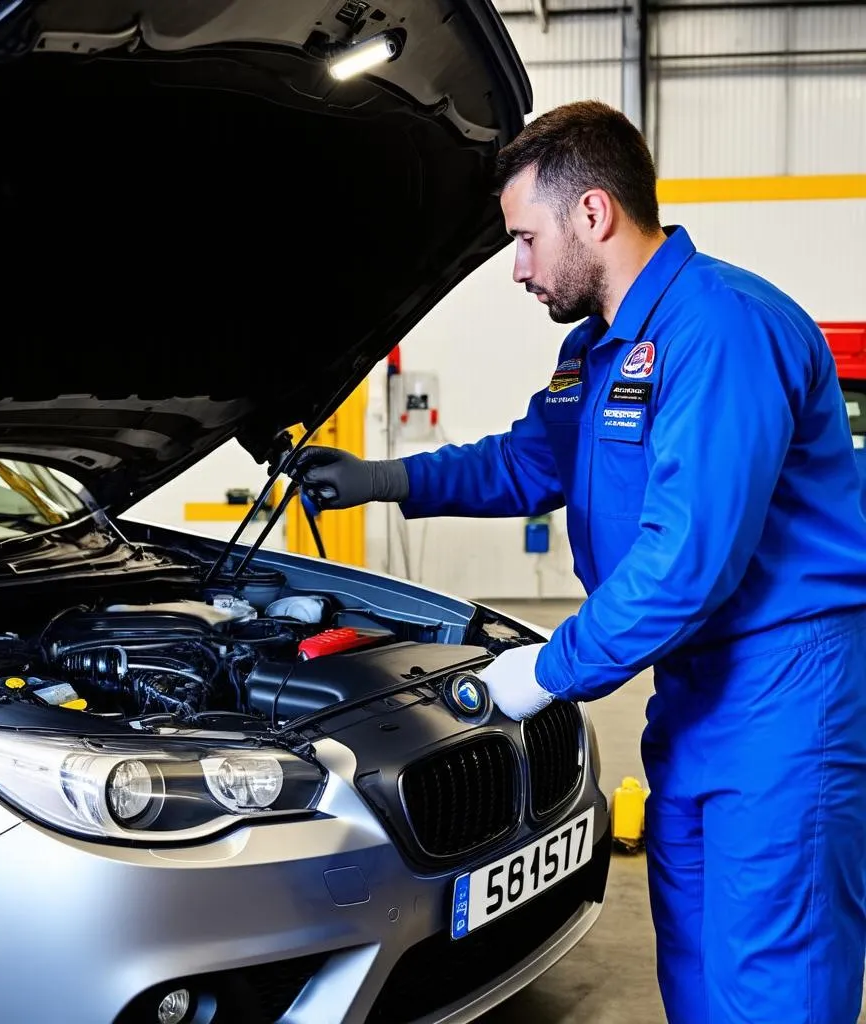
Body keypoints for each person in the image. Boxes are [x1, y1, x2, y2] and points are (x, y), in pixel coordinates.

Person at [287, 100, 866, 1024]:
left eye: (524, 238)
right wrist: (381, 477)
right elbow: (527, 462)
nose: (517, 267)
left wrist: (544, 672)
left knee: (774, 981)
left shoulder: (719, 330)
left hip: (786, 697)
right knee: (698, 974)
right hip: (694, 691)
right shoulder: (594, 353)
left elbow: (686, 564)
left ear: (592, 214)